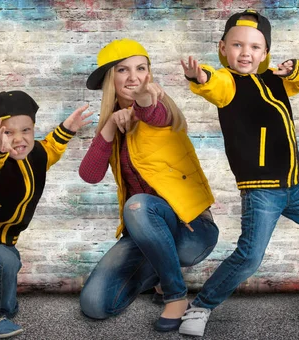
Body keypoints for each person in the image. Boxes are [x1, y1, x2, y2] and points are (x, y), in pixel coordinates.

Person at [179, 9, 299, 337]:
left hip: (296, 185)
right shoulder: (228, 83)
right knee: (249, 257)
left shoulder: (274, 79)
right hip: (262, 189)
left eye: (255, 47)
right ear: (223, 48)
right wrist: (199, 77)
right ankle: (200, 306)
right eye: (238, 45)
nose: (246, 53)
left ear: (266, 52)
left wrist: (294, 67)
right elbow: (212, 85)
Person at [78, 38, 220, 332]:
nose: (134, 77)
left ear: (149, 74)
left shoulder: (160, 110)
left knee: (138, 203)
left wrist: (142, 99)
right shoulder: (115, 124)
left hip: (192, 231)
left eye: (141, 68)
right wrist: (108, 126)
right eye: (123, 70)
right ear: (110, 79)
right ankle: (157, 272)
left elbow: (150, 111)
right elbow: (90, 175)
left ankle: (175, 296)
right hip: (143, 234)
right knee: (94, 305)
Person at [0, 90, 92, 338]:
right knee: (5, 263)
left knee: (11, 264)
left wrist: (67, 128)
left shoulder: (37, 154)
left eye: (25, 130)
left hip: (1, 235)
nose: (18, 139)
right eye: (7, 132)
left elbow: (53, 146)